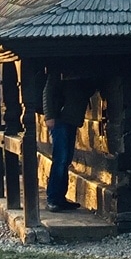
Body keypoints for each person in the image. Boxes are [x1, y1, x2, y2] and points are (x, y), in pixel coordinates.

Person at [41, 69, 95, 211]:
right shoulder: (59, 69)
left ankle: (59, 198)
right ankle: (53, 198)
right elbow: (48, 91)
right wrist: (49, 115)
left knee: (66, 159)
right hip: (59, 117)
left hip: (71, 118)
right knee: (61, 158)